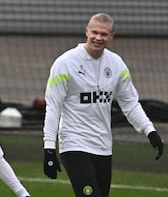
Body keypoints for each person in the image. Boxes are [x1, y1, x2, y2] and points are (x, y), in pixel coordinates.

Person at [42, 13, 164, 197]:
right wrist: (49, 148)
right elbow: (53, 107)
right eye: (95, 32)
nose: (98, 38)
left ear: (112, 36)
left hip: (103, 147)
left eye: (104, 34)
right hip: (74, 144)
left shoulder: (117, 65)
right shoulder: (64, 63)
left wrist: (150, 131)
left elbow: (130, 104)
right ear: (86, 32)